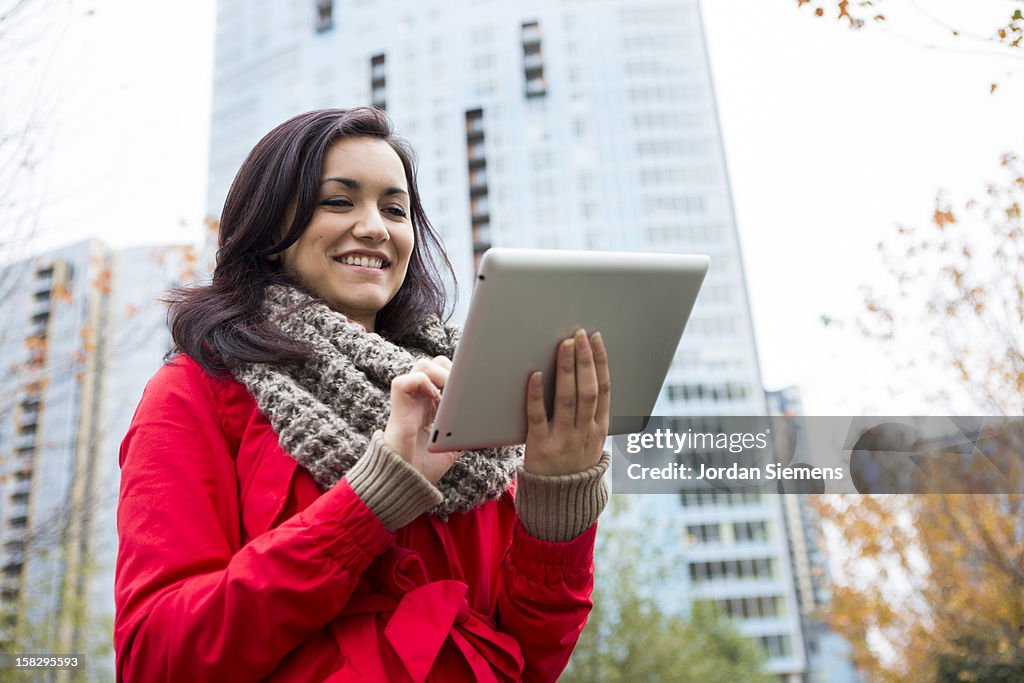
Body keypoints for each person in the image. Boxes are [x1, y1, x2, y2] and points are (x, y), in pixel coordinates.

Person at [114, 107, 612, 682]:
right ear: (271, 229)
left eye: (395, 210)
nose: (376, 227)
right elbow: (156, 657)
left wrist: (556, 503)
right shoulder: (196, 391)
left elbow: (530, 658)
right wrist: (370, 500)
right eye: (339, 201)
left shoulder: (468, 387)